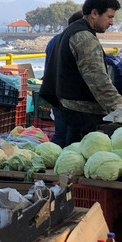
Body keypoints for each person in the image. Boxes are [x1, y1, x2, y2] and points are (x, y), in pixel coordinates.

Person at [39, 0, 122, 146]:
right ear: (94, 13)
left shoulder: (71, 30)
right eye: (110, 17)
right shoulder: (84, 37)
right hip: (85, 114)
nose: (111, 22)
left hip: (69, 107)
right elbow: (98, 80)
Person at [44, 10, 84, 145]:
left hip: (54, 91)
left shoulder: (54, 40)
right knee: (65, 134)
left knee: (61, 132)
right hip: (66, 93)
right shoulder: (73, 40)